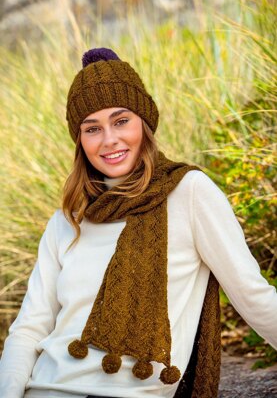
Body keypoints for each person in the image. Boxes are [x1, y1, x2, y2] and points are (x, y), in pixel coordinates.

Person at [0, 47, 276, 398]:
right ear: (80, 139)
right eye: (92, 128)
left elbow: (254, 297)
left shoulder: (188, 192)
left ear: (144, 123)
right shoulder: (67, 220)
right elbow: (28, 330)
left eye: (121, 121)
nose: (109, 139)